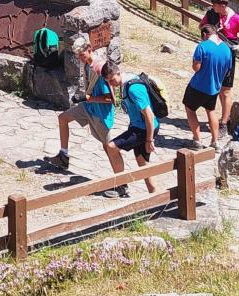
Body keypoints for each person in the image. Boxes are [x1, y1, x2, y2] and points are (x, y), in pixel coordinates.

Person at [48, 50, 127, 192]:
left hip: (100, 114)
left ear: (89, 49)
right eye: (77, 54)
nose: (79, 57)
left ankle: (122, 184)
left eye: (81, 54)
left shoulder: (100, 70)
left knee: (110, 147)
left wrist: (88, 98)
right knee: (63, 118)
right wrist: (86, 99)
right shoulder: (87, 67)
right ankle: (63, 156)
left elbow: (111, 99)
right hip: (88, 108)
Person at [202, 0, 239, 126]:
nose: (212, 7)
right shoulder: (211, 14)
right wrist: (212, 30)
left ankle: (224, 122)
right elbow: (202, 27)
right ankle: (222, 117)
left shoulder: (236, 18)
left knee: (226, 90)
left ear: (222, 6)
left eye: (215, 5)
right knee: (216, 87)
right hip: (213, 54)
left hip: (227, 55)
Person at [184, 20, 232, 146]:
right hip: (215, 88)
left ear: (205, 34)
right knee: (211, 111)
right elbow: (228, 69)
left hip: (198, 86)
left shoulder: (202, 46)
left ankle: (197, 140)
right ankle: (215, 141)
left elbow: (196, 68)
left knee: (190, 109)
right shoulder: (226, 49)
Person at [115, 69, 158, 192]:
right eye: (108, 81)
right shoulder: (127, 81)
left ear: (118, 73)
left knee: (111, 147)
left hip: (143, 129)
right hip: (138, 126)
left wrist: (149, 140)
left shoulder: (133, 89)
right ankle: (155, 194)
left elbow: (149, 115)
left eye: (112, 80)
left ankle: (121, 186)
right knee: (142, 162)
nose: (112, 83)